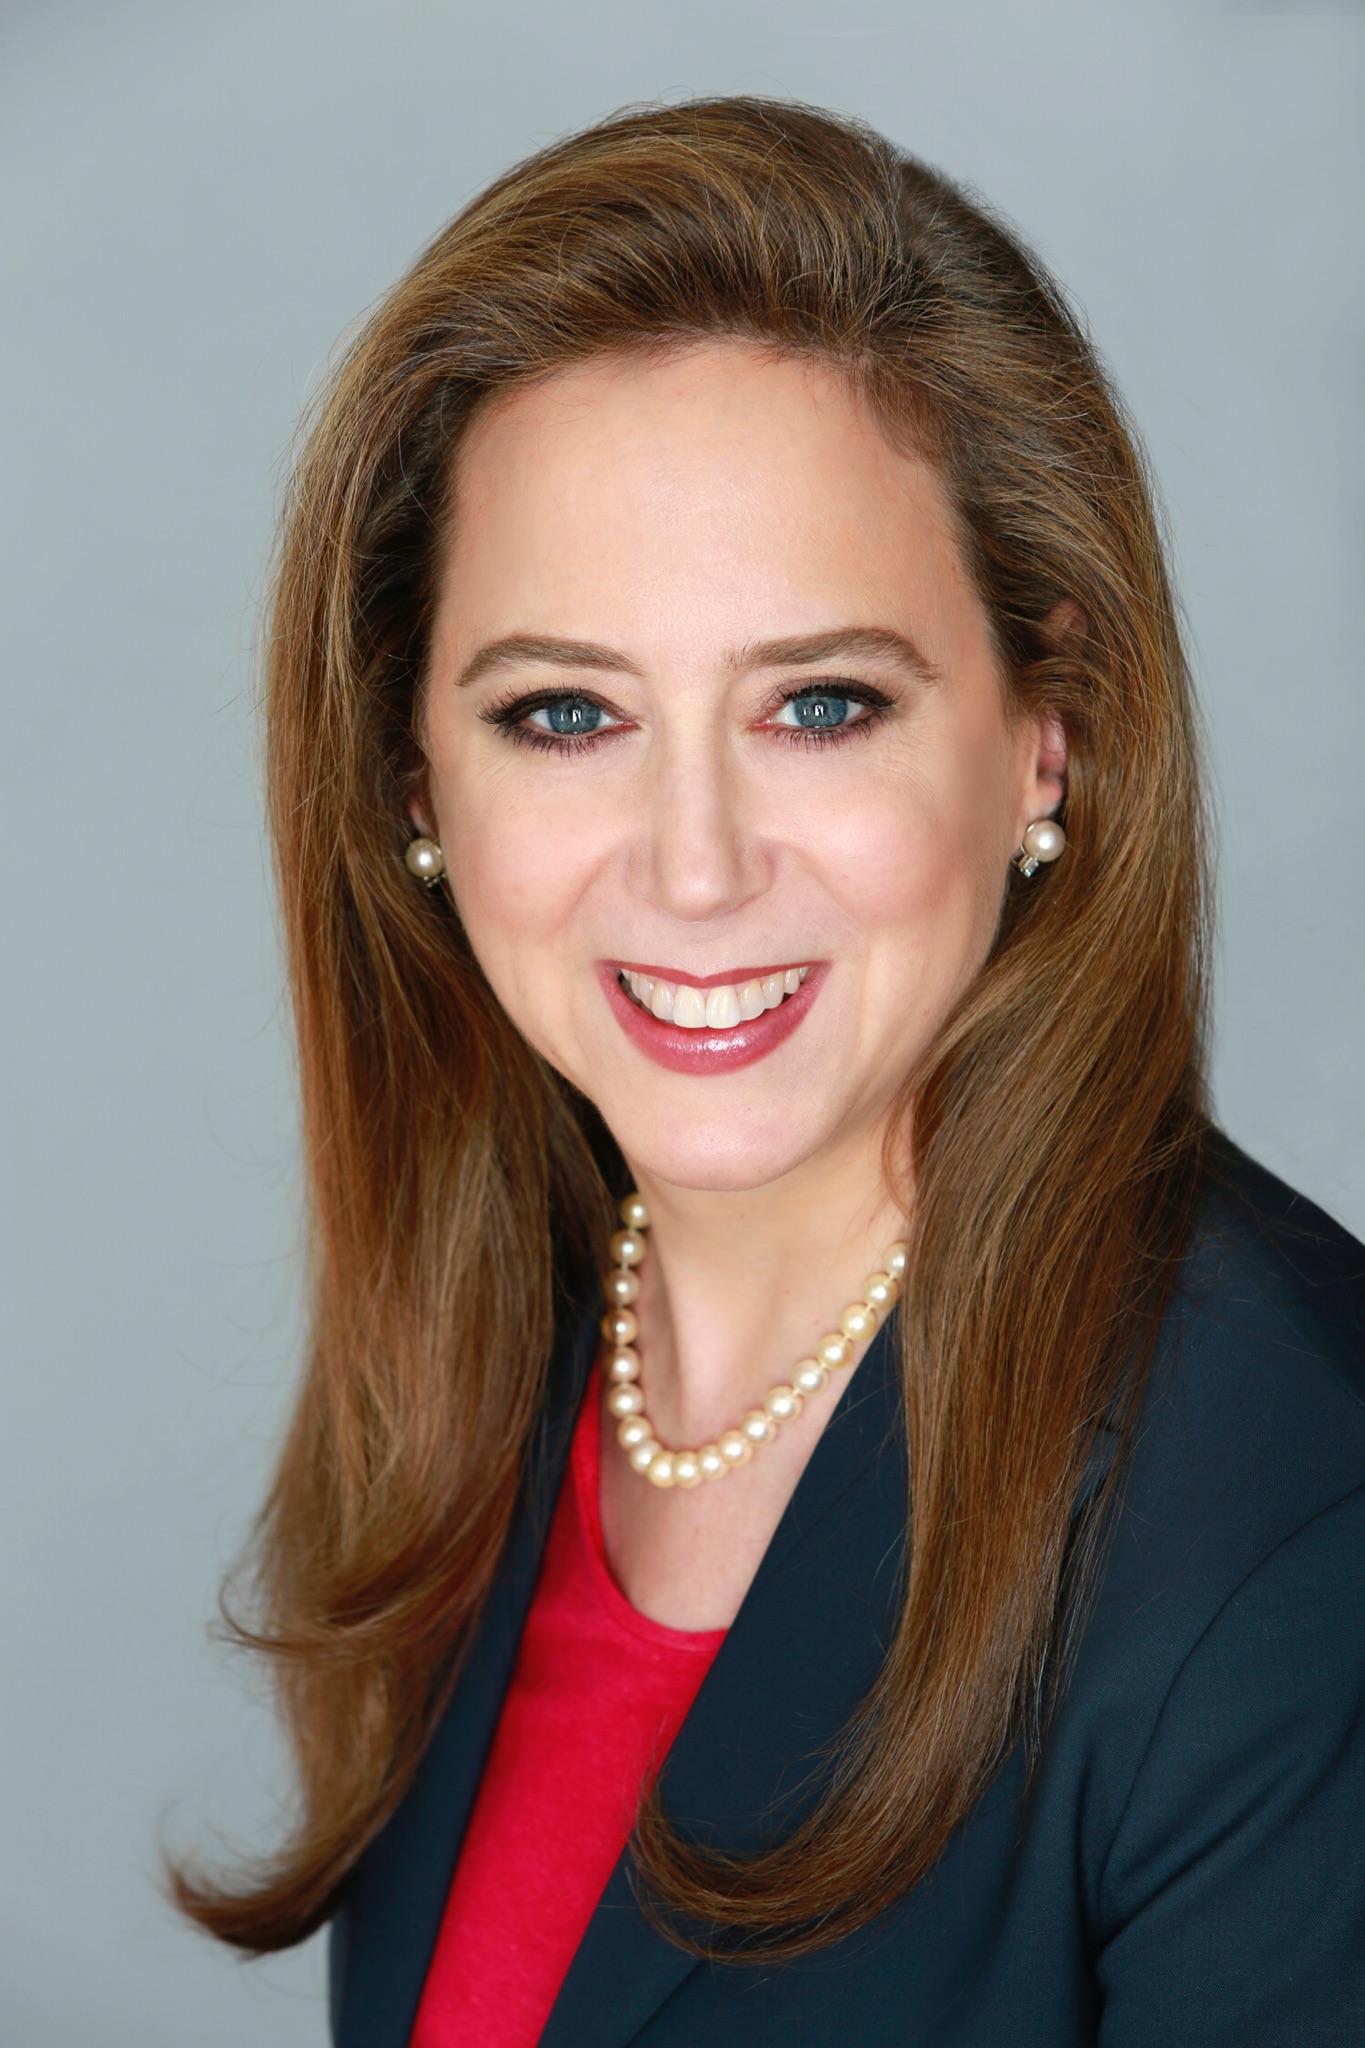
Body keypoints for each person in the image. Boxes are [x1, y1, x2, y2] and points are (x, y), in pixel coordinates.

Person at [173, 97, 1365, 2046]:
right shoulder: (516, 1342)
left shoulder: (1291, 1532)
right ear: (410, 780)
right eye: (564, 713)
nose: (697, 863)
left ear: (1040, 732)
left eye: (820, 703)